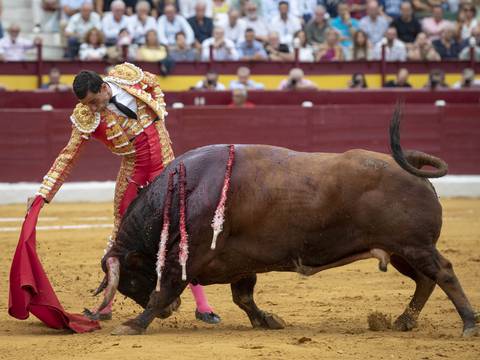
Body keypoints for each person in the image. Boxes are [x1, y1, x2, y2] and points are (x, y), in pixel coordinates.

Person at [30, 63, 221, 325]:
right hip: (134, 174)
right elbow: (68, 156)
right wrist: (43, 194)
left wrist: (159, 113)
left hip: (167, 169)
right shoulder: (87, 116)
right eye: (88, 105)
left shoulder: (127, 77)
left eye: (95, 101)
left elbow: (154, 82)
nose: (93, 108)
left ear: (103, 87)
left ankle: (203, 305)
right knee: (121, 237)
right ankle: (106, 306)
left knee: (182, 234)